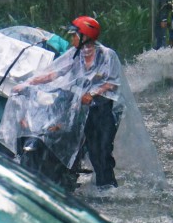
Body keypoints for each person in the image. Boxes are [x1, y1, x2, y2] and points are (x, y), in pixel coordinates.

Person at [14, 16, 123, 190]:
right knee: (67, 143)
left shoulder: (107, 55)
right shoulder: (74, 54)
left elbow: (112, 83)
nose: (72, 39)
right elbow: (54, 74)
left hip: (101, 110)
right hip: (79, 109)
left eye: (74, 35)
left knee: (101, 151)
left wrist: (92, 93)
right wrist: (28, 83)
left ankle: (107, 188)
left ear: (85, 36)